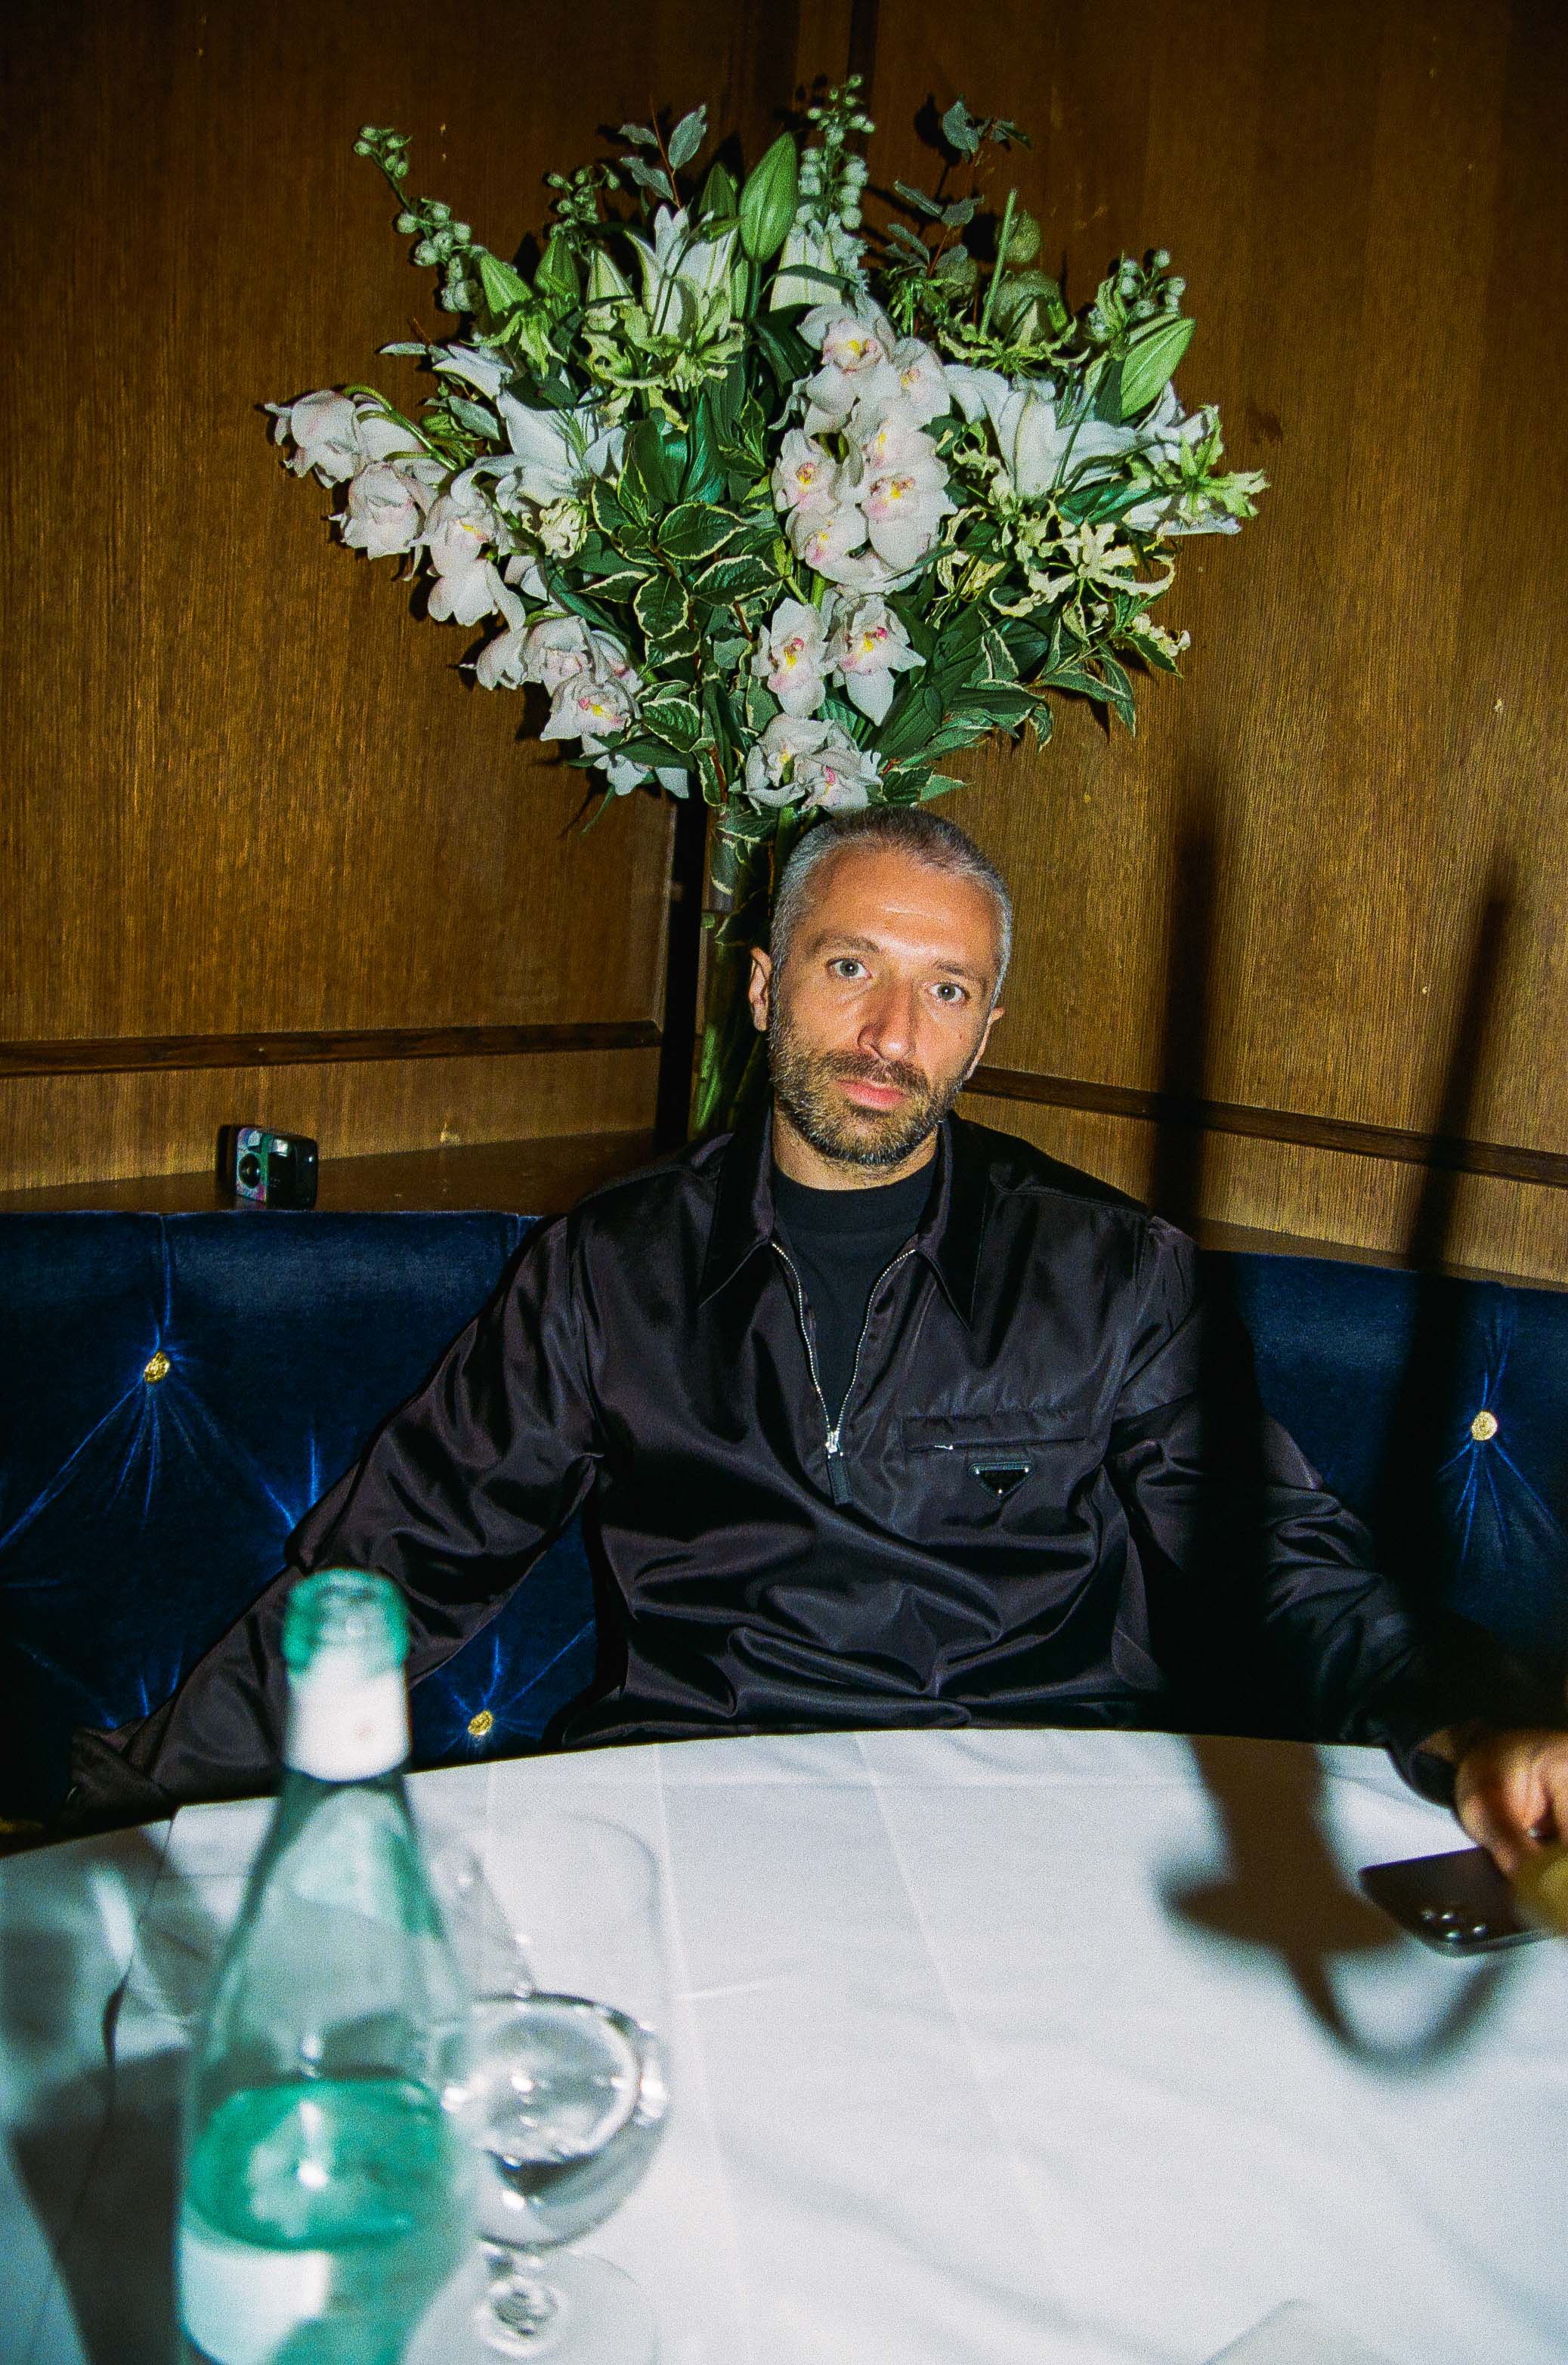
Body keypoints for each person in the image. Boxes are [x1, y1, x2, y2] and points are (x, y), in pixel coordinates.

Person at [69, 809, 1567, 1871]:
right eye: (852, 966)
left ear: (983, 1032)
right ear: (767, 983)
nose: (889, 1030)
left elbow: (1277, 1564)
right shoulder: (611, 1266)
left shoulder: (1115, 1274)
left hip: (1033, 1822)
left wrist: (1474, 1712)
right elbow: (396, 1572)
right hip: (696, 1809)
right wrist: (127, 1812)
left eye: (946, 989)